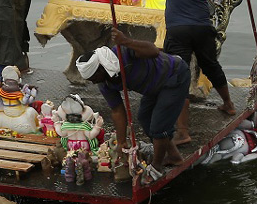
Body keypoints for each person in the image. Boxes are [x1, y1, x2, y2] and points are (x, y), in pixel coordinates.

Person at [164, 0, 244, 144]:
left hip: (177, 30)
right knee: (210, 66)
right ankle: (228, 104)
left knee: (179, 77)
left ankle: (182, 132)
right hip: (200, 27)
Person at [76, 27, 190, 170]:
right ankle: (174, 157)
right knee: (144, 118)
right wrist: (121, 142)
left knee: (159, 127)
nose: (93, 82)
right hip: (152, 88)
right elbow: (117, 110)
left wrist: (125, 41)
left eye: (94, 78)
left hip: (173, 76)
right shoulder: (104, 83)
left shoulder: (122, 52)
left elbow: (154, 51)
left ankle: (156, 167)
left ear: (101, 68)